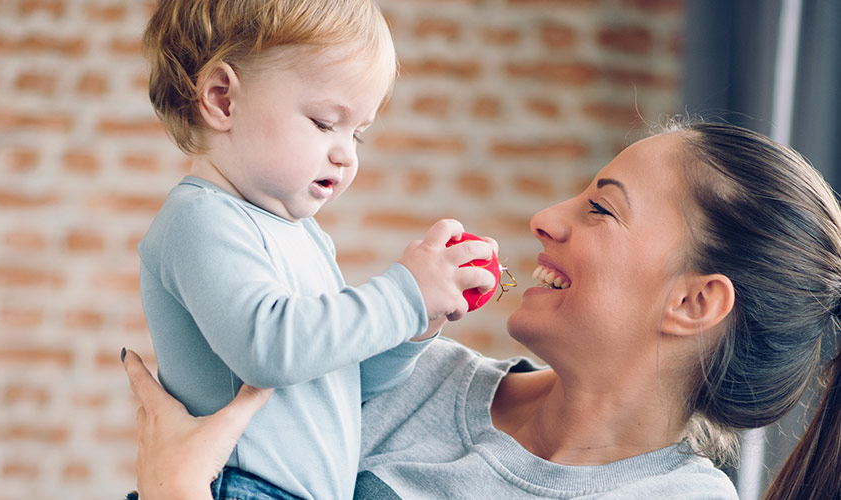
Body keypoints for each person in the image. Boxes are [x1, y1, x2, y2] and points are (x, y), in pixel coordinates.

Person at [124, 120, 841, 499]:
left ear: (692, 301)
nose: (544, 218)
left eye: (601, 209)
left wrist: (176, 493)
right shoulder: (406, 375)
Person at [136, 1, 495, 499]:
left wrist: (417, 321)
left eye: (358, 134)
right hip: (239, 487)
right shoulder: (199, 219)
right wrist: (403, 294)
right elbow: (269, 350)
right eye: (325, 122)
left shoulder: (303, 235)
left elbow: (346, 381)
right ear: (222, 100)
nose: (345, 154)